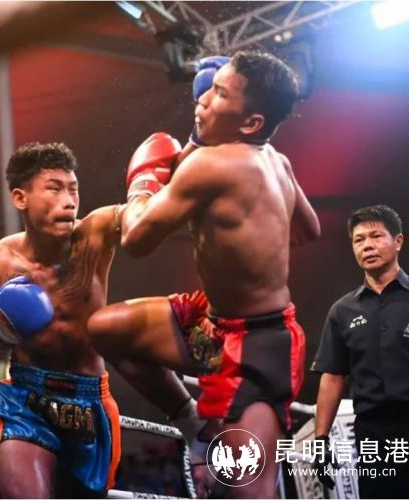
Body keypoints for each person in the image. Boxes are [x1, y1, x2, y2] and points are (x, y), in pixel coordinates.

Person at [88, 50, 321, 498]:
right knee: (106, 329)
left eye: (219, 93)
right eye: (210, 87)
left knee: (248, 489)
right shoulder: (276, 159)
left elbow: (136, 239)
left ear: (251, 122)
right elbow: (307, 230)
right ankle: (193, 424)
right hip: (213, 321)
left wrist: (143, 184)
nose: (202, 98)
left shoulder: (210, 166)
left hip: (259, 346)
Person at [0, 142, 199, 498]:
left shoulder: (95, 233)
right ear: (20, 198)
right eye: (54, 189)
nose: (69, 201)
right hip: (27, 399)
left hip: (89, 400)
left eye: (73, 189)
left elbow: (145, 217)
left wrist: (171, 171)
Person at [311, 205, 409, 498]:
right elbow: (333, 377)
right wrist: (321, 440)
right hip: (375, 435)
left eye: (376, 236)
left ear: (398, 241)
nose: (367, 245)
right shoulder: (342, 311)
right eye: (359, 240)